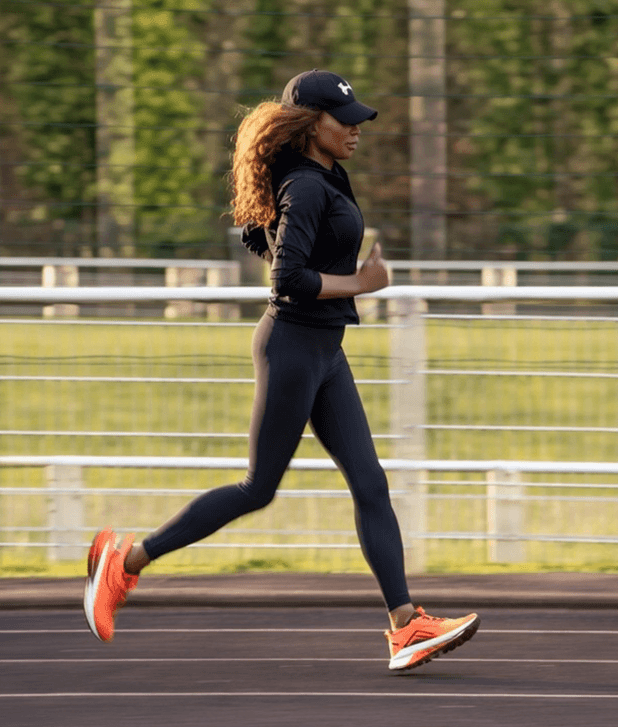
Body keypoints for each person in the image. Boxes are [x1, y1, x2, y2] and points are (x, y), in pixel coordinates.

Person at [83, 69, 480, 672]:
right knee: (258, 488)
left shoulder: (323, 175)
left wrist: (313, 262)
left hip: (325, 351)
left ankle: (406, 627)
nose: (356, 130)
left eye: (358, 120)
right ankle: (124, 563)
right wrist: (362, 284)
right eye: (344, 121)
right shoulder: (306, 184)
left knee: (370, 483)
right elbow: (286, 277)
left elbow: (253, 233)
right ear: (310, 124)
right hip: (292, 347)